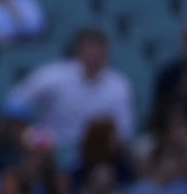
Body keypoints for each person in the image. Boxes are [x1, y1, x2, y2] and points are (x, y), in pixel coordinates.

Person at [7, 28, 134, 156]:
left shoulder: (119, 85)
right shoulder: (53, 76)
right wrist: (28, 137)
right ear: (78, 51)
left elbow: (124, 131)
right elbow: (15, 100)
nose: (94, 58)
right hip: (51, 152)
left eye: (99, 53)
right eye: (90, 52)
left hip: (96, 156)